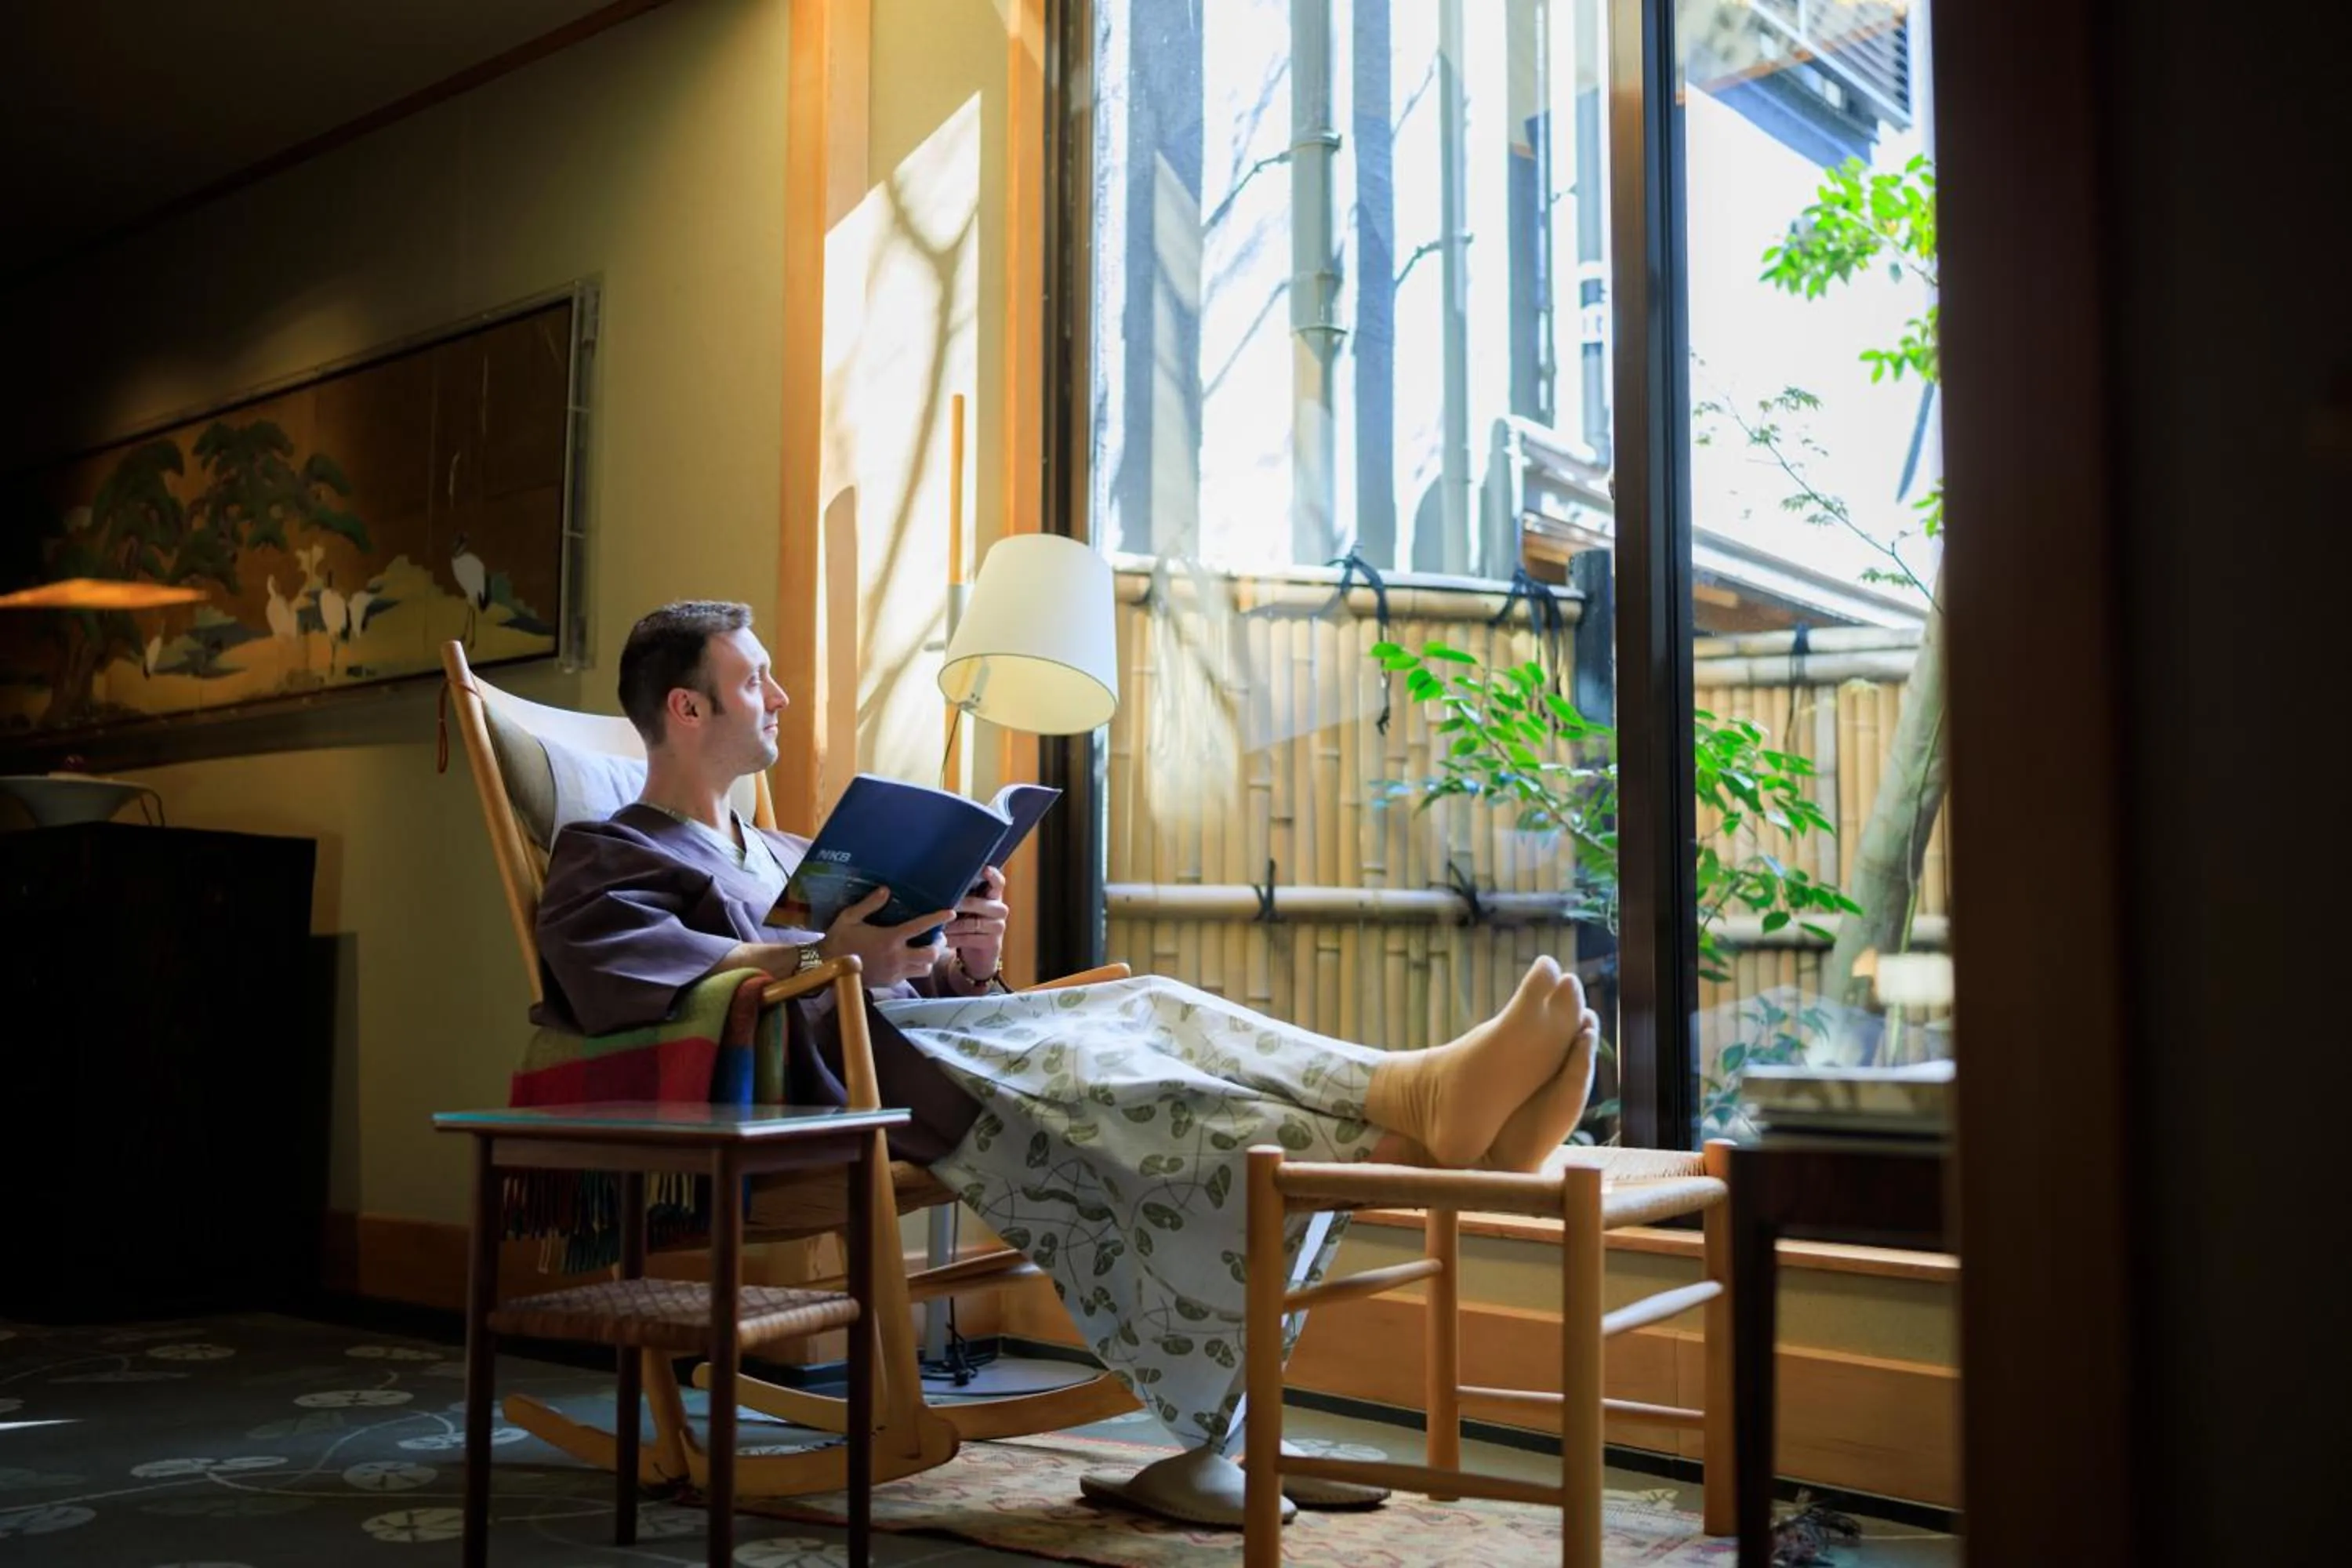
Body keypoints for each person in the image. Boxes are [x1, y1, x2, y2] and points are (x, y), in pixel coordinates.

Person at [535, 601, 1600, 1525]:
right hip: (824, 1098)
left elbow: (889, 979)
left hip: (918, 1050)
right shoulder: (609, 850)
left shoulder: (782, 852)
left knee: (1149, 1010)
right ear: (687, 708)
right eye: (752, 679)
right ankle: (1415, 1124)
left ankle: (1412, 1113)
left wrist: (962, 956)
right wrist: (830, 956)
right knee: (1144, 1061)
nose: (777, 694)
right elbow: (622, 982)